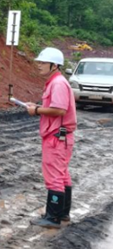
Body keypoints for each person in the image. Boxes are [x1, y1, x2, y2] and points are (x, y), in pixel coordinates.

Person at [25, 48, 77, 228]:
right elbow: (55, 106)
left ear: (54, 65)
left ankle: (52, 217)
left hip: (56, 137)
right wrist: (38, 106)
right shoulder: (56, 82)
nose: (39, 65)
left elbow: (59, 110)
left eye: (42, 62)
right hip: (61, 137)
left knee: (54, 175)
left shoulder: (58, 83)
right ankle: (62, 213)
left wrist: (36, 110)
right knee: (62, 174)